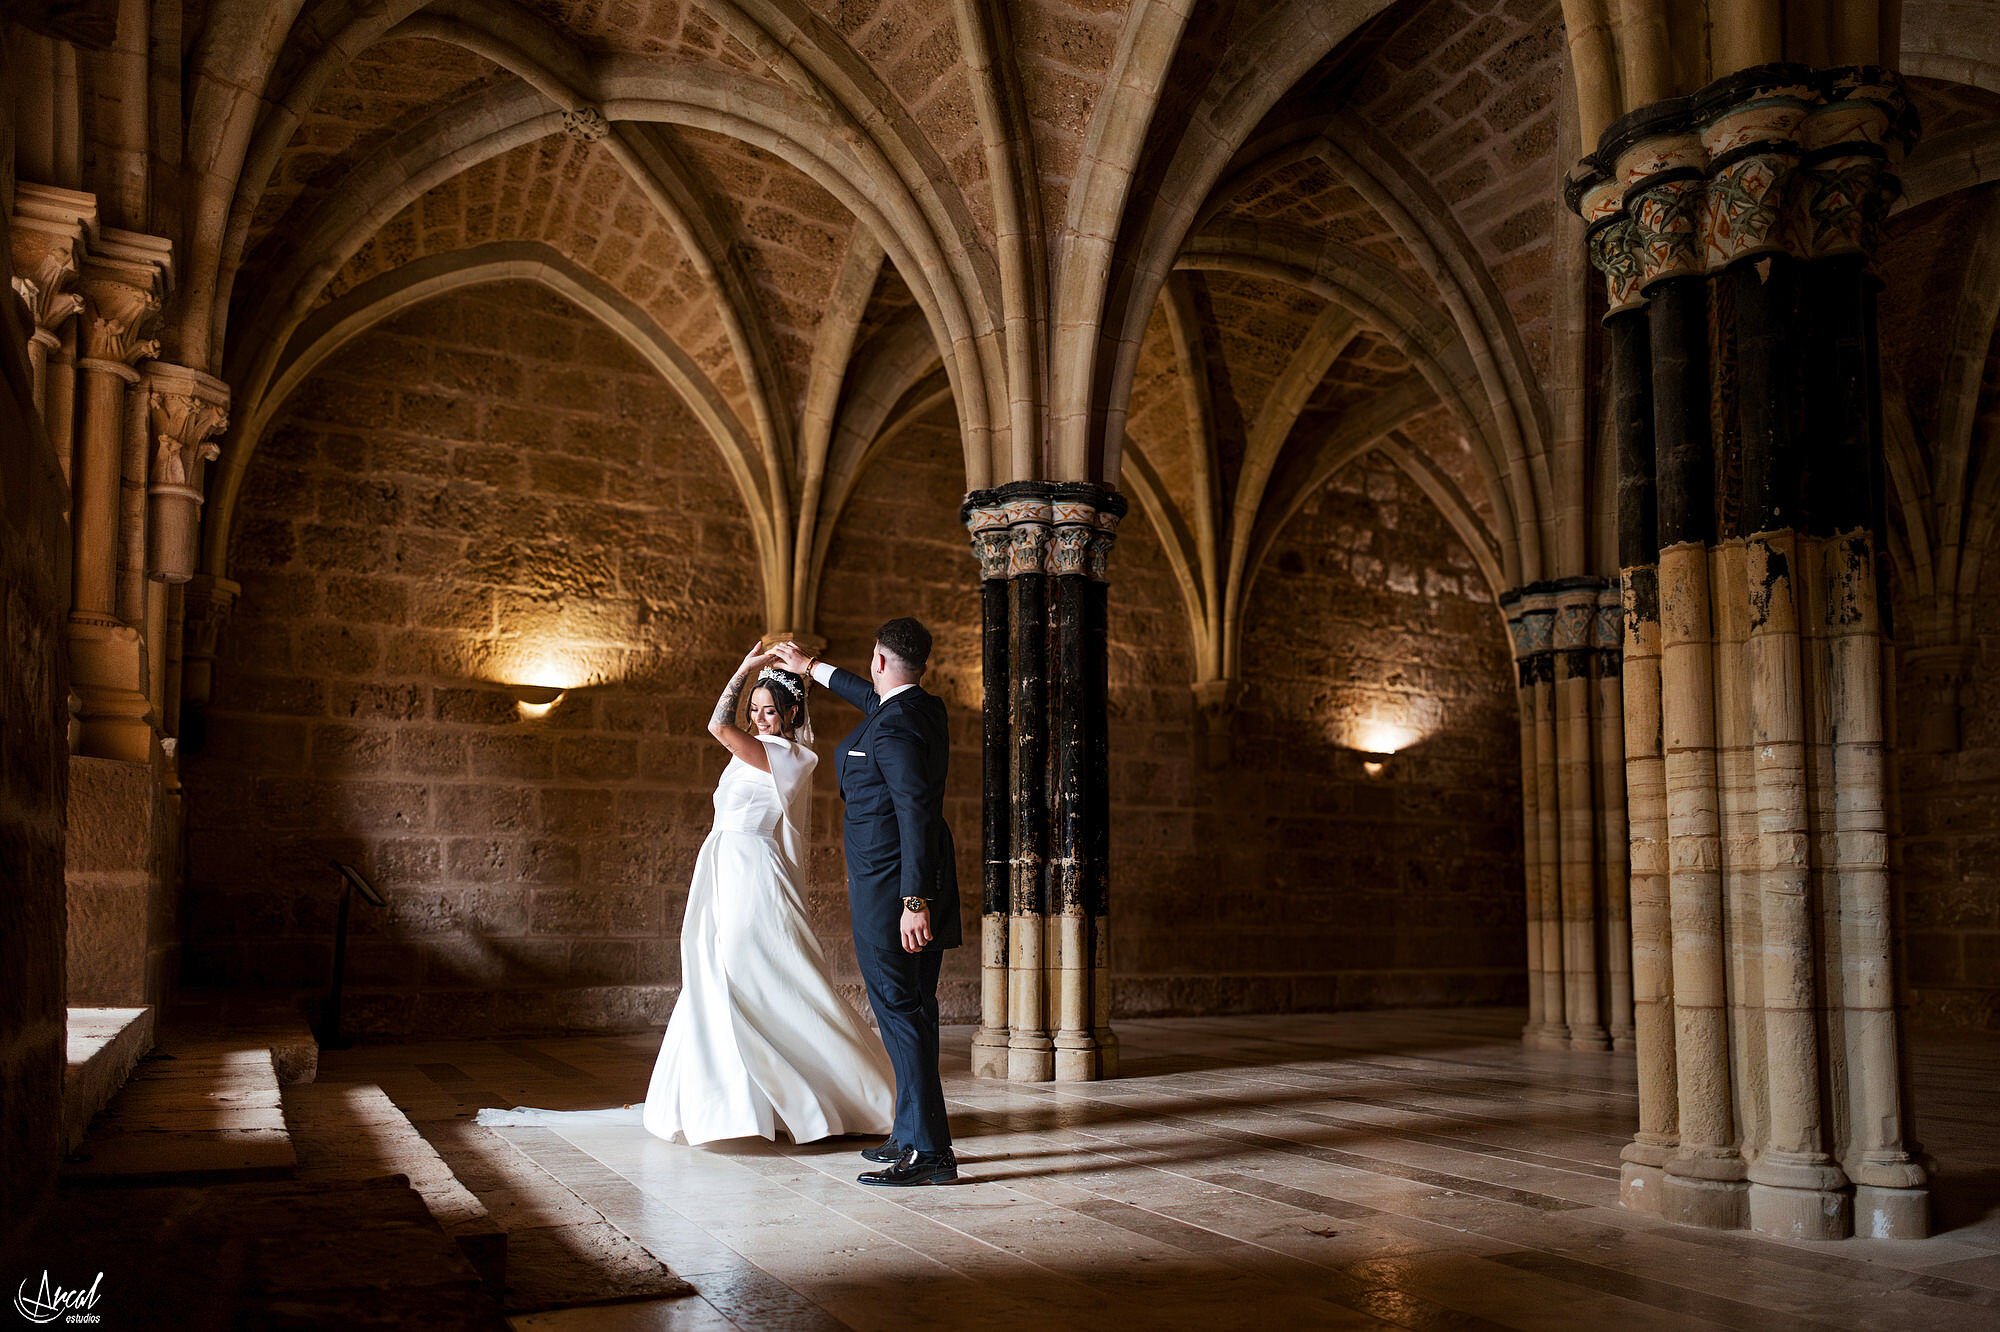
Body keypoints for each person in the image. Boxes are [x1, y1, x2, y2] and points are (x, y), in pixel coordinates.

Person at [477, 643, 894, 1145]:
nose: (761, 719)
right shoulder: (754, 756)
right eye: (756, 711)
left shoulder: (790, 755)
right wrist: (750, 676)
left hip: (755, 875)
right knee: (719, 975)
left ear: (791, 713)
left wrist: (743, 669)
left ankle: (851, 1096)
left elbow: (719, 726)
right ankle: (742, 1104)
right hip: (725, 868)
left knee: (763, 977)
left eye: (770, 711)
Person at [770, 618, 961, 1186]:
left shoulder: (893, 730)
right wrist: (810, 669)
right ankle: (908, 1132)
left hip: (892, 895)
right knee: (914, 1013)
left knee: (902, 1016)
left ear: (880, 660)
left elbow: (914, 814)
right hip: (910, 887)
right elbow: (866, 694)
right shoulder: (920, 708)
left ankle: (931, 1155)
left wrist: (912, 900)